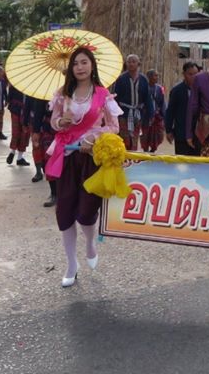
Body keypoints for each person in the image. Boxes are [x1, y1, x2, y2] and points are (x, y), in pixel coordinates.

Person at [47, 47, 122, 287]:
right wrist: (61, 121)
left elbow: (114, 127)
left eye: (84, 62)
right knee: (65, 211)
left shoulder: (103, 94)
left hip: (90, 158)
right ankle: (71, 264)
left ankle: (90, 243)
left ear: (92, 65)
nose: (79, 67)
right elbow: (53, 122)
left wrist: (93, 136)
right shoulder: (62, 94)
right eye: (75, 63)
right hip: (67, 157)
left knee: (86, 211)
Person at [111, 54, 153, 151]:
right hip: (123, 113)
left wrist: (150, 114)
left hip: (137, 114)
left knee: (134, 137)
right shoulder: (121, 79)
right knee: (124, 137)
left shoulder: (143, 80)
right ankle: (124, 156)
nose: (131, 64)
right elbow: (115, 97)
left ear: (138, 64)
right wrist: (114, 114)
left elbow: (147, 98)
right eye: (129, 62)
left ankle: (132, 156)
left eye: (133, 62)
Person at [165, 61, 201, 155]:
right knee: (182, 161)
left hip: (199, 134)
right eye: (190, 74)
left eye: (196, 74)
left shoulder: (202, 90)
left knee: (198, 161)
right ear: (184, 74)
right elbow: (170, 111)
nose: (193, 76)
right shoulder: (176, 91)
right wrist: (168, 130)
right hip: (181, 133)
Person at [6, 85, 32, 168]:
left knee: (16, 132)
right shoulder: (33, 85)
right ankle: (19, 157)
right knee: (24, 133)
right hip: (26, 111)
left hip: (16, 109)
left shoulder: (16, 83)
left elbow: (9, 97)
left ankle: (12, 151)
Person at [142, 69, 166, 153]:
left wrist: (163, 114)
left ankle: (152, 150)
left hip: (156, 116)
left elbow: (162, 102)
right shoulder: (144, 88)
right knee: (145, 135)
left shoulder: (159, 89)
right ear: (149, 77)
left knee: (159, 136)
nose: (157, 77)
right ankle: (145, 152)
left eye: (157, 75)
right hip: (145, 116)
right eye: (155, 75)